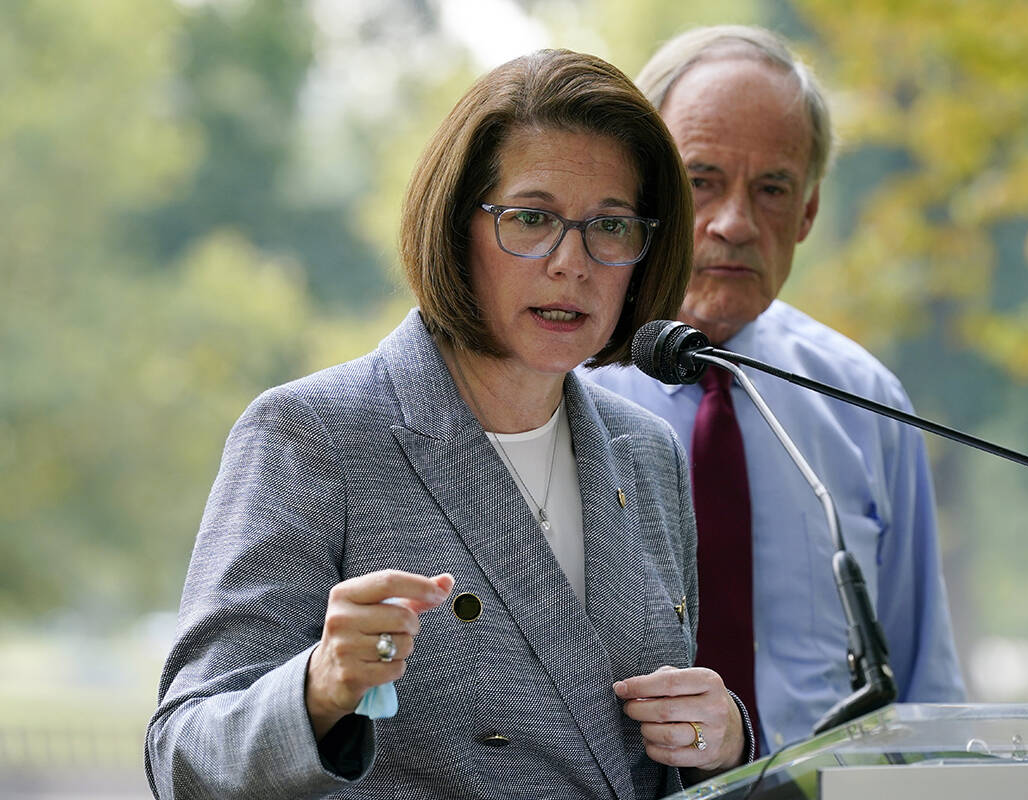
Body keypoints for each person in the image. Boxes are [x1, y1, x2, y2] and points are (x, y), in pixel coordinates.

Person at [145, 49, 754, 800]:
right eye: (531, 219)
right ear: (456, 226)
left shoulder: (646, 452)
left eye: (611, 226)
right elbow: (182, 757)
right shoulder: (312, 435)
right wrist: (317, 689)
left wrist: (723, 740)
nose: (573, 262)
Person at [585, 25, 965, 751]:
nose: (734, 222)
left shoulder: (865, 403)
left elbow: (926, 693)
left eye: (772, 190)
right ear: (643, 194)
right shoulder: (556, 388)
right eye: (701, 182)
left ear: (810, 213)